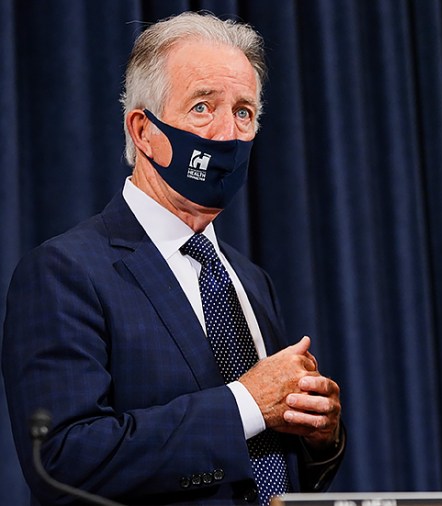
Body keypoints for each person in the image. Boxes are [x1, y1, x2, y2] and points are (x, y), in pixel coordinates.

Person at [3, 12, 344, 506]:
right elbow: (63, 461)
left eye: (244, 112)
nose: (228, 133)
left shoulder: (248, 279)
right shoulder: (64, 272)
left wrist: (318, 433)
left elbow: (266, 459)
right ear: (143, 131)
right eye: (204, 107)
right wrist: (246, 402)